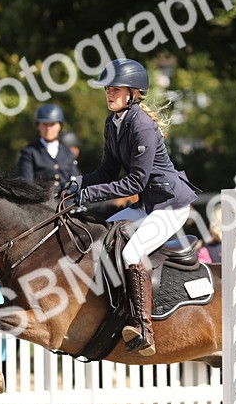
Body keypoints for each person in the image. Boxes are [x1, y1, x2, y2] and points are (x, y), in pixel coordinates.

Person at [64, 58, 198, 356]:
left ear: (133, 92)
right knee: (103, 237)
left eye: (115, 88)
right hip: (147, 204)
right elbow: (106, 173)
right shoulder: (113, 123)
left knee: (131, 252)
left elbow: (135, 182)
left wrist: (88, 195)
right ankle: (115, 307)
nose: (109, 93)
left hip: (169, 206)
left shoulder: (142, 126)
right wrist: (78, 183)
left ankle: (143, 326)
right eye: (107, 88)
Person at [17, 104, 79, 196]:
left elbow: (75, 179)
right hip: (41, 203)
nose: (49, 129)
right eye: (45, 124)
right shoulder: (29, 152)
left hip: (66, 203)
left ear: (60, 126)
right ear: (38, 126)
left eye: (52, 124)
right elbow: (27, 184)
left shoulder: (67, 152)